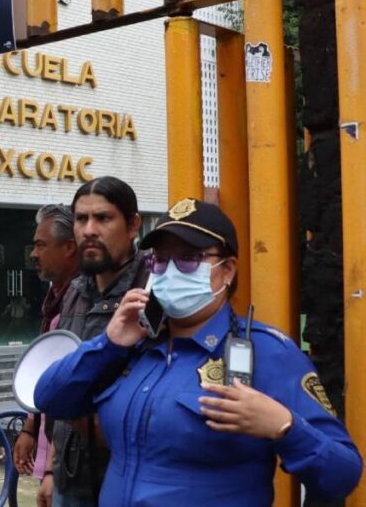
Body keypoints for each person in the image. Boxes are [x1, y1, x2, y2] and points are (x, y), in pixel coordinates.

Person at [35, 199, 363, 506]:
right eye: (160, 260)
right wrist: (108, 342)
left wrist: (286, 427)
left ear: (227, 269)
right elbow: (49, 398)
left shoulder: (265, 352)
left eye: (189, 259)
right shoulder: (137, 344)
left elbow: (342, 475)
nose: (171, 271)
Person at [49, 176, 146, 507]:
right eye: (80, 219)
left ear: (133, 225)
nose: (89, 230)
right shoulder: (74, 293)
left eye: (103, 218)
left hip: (128, 483)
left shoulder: (153, 293)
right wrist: (50, 471)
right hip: (69, 479)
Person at [12, 204, 79, 506]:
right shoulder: (54, 302)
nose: (33, 254)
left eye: (40, 245)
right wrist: (29, 427)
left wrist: (52, 470)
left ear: (69, 248)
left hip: (69, 463)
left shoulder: (84, 306)